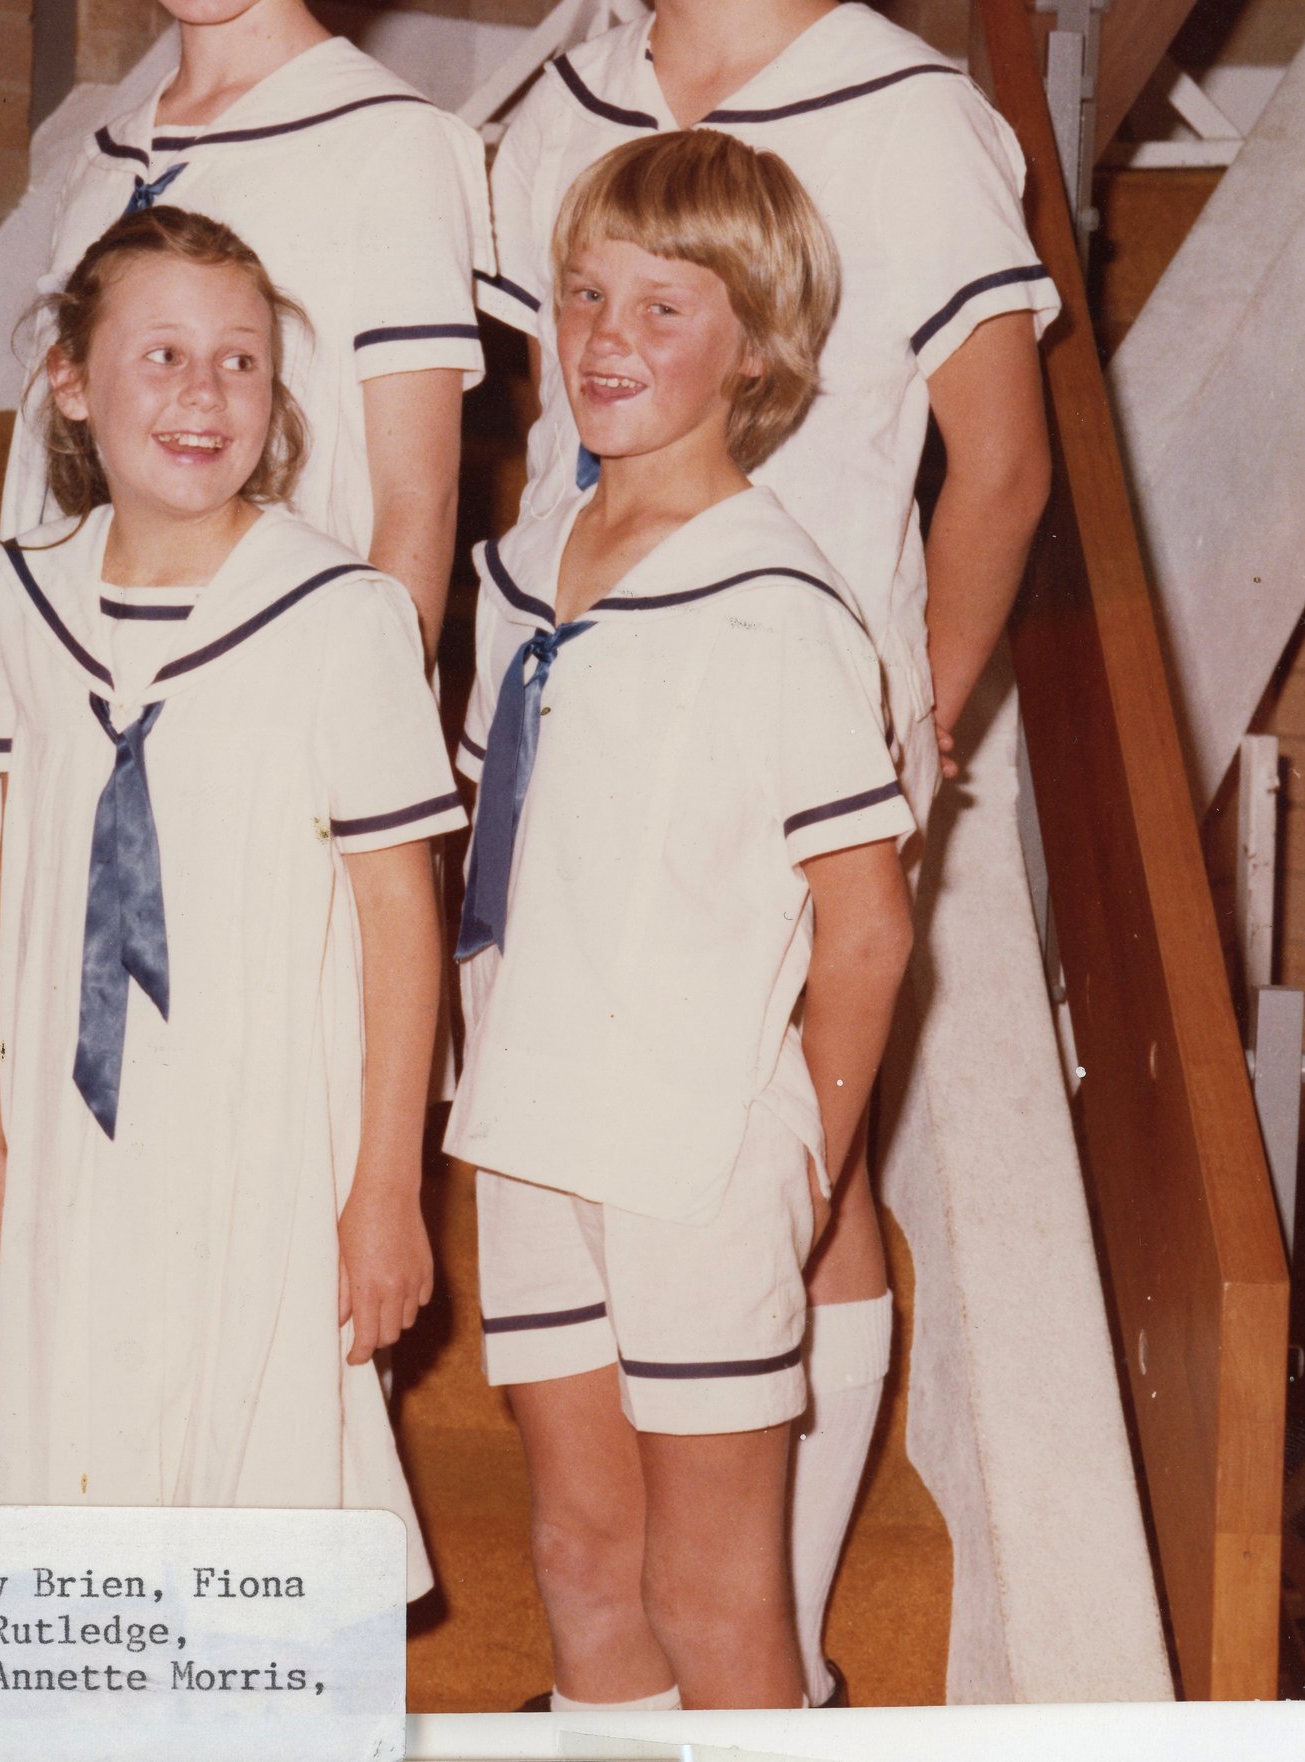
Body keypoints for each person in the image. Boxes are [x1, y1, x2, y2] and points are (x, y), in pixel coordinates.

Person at [477, 0, 1056, 1698]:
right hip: (593, 725)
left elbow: (999, 461)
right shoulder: (557, 103)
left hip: (799, 729)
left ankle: (767, 1642)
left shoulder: (898, 116)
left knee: (802, 1190)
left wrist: (923, 728)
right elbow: (524, 415)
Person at [448, 131, 914, 1709]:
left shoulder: (775, 602)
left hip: (693, 1150)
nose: (605, 339)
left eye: (665, 307)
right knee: (585, 1560)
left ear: (758, 346)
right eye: (585, 296)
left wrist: (808, 1162)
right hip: (531, 1123)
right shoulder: (521, 566)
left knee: (712, 1599)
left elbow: (867, 929)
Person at [0, 207, 460, 1596]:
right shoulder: (24, 598)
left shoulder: (340, 613)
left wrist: (387, 1183)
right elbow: (14, 872)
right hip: (78, 1128)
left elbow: (398, 920)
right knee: (86, 1485)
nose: (202, 393)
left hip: (267, 1133)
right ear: (72, 378)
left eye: (240, 362)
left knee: (261, 1512)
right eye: (163, 353)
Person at [0, 0, 491, 655]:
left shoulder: (388, 141)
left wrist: (373, 745)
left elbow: (416, 501)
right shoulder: (100, 159)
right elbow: (48, 473)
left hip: (281, 687)